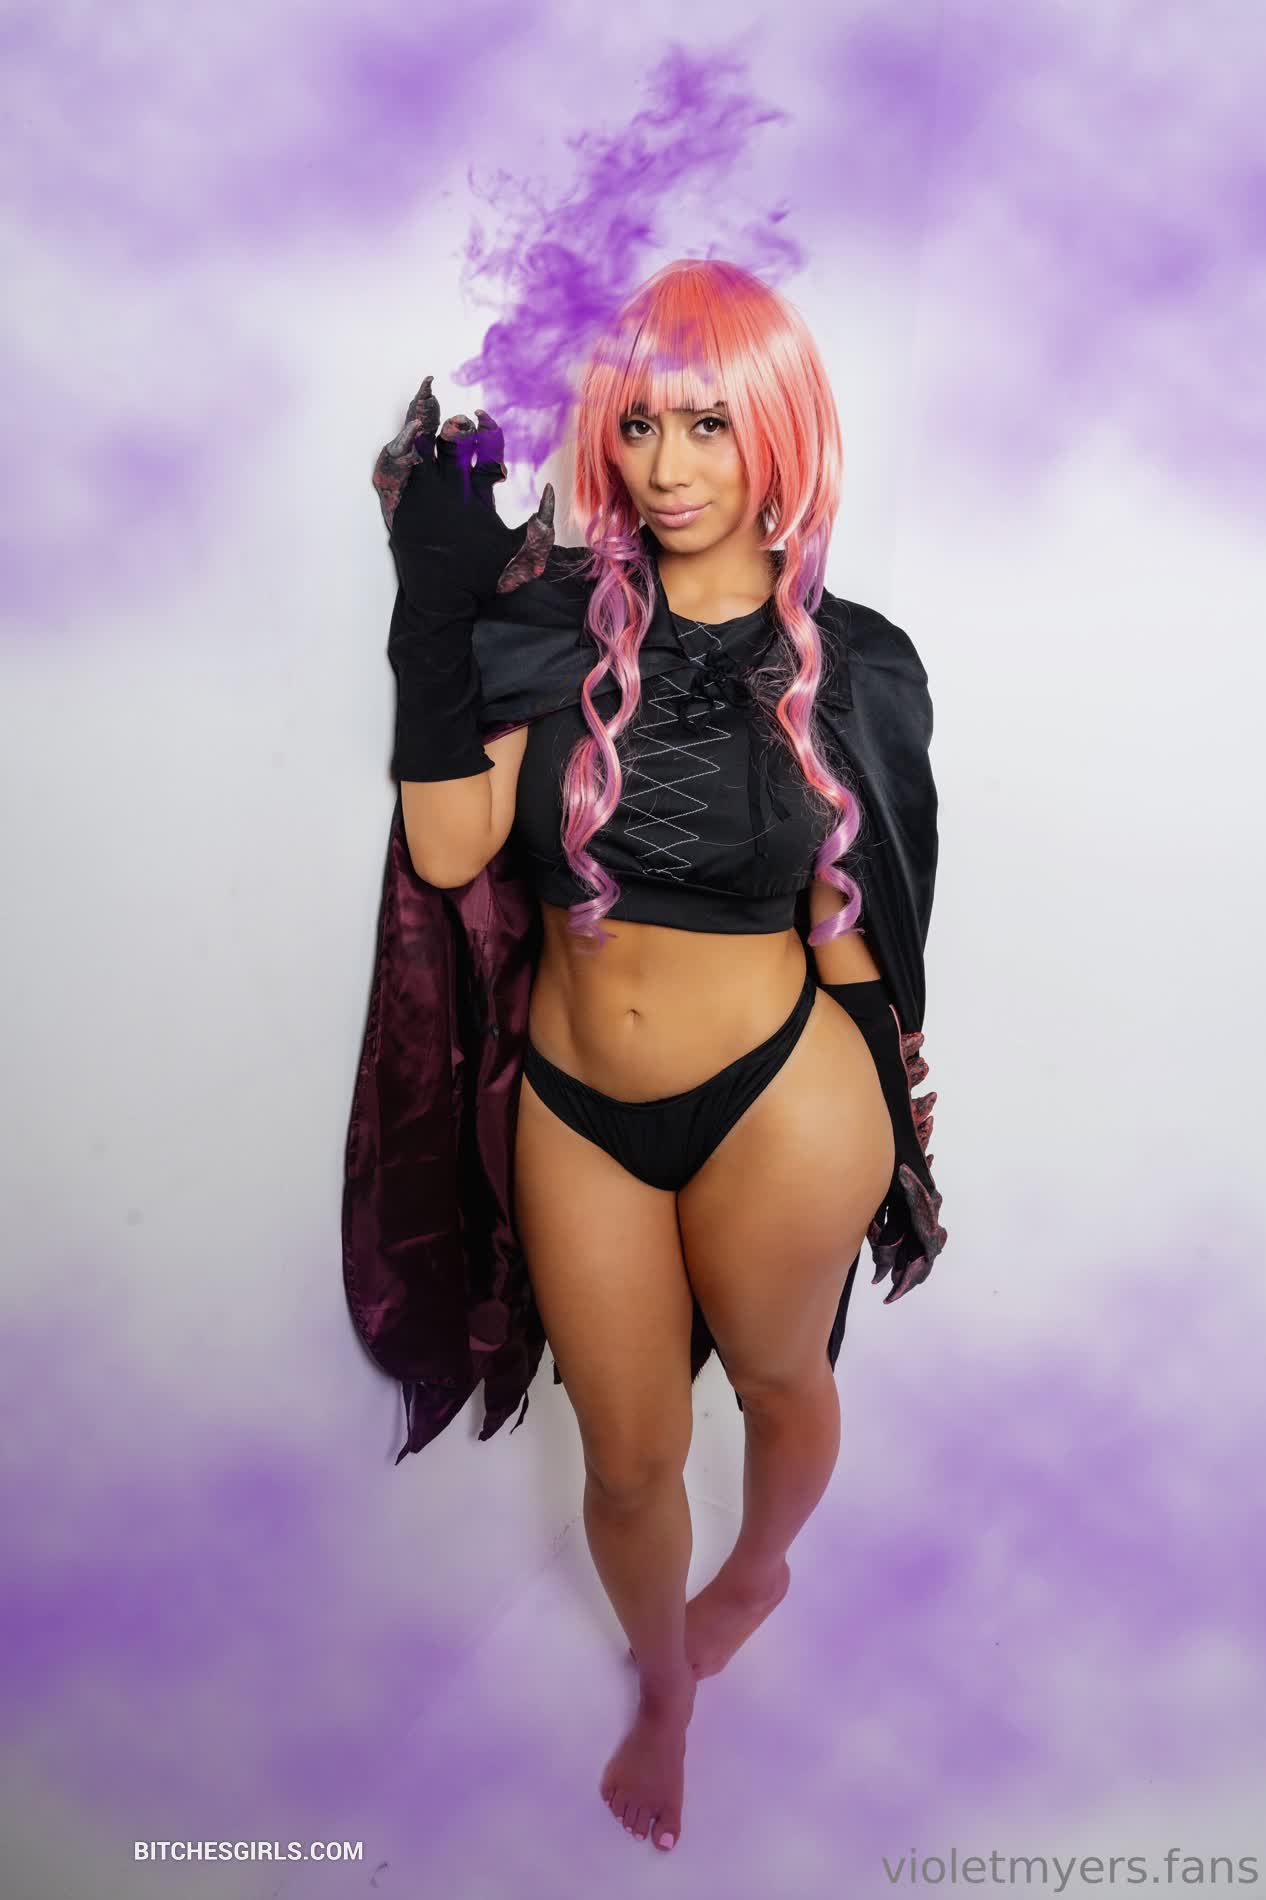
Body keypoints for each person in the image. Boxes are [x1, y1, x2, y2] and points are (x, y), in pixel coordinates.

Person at [345, 258, 945, 1854]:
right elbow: (452, 848)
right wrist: (433, 603)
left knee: (778, 1377)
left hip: (783, 1099)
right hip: (577, 1109)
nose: (667, 467)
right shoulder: (548, 631)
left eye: (708, 424)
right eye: (638, 426)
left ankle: (757, 1569)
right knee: (624, 1464)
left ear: (778, 435)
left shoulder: (856, 662)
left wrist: (895, 1105)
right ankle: (663, 1686)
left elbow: (855, 918)